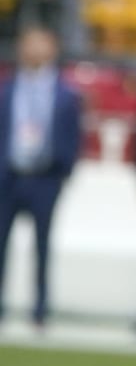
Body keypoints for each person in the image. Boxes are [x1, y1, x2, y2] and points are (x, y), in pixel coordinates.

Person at [0, 25, 82, 329]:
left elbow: (73, 134)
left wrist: (64, 171)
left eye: (40, 44)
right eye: (28, 44)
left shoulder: (65, 92)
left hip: (45, 177)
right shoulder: (7, 87)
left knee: (43, 246)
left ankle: (40, 308)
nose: (34, 51)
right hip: (9, 175)